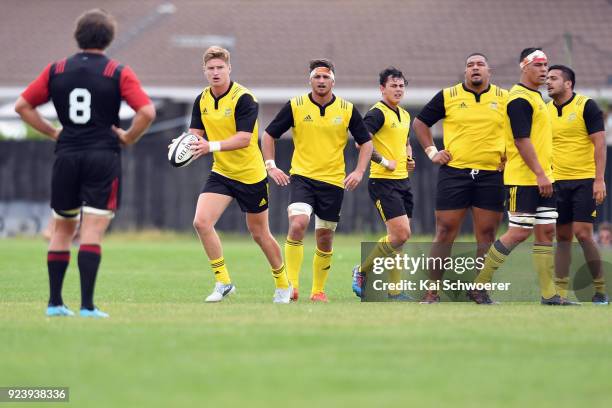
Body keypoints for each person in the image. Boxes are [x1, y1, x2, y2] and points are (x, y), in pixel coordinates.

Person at [14, 9, 156, 317]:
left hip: (67, 155)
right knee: (91, 230)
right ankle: (87, 306)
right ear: (109, 38)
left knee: (63, 229)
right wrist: (129, 137)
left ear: (77, 36)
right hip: (102, 156)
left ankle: (54, 304)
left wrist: (52, 131)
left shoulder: (57, 70)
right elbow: (147, 112)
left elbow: (22, 106)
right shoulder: (117, 72)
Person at [262, 59, 373, 302]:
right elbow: (268, 134)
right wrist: (271, 166)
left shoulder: (346, 109)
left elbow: (366, 141)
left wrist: (359, 171)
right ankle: (291, 286)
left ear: (333, 81)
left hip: (333, 183)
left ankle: (318, 291)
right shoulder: (296, 105)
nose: (321, 81)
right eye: (317, 77)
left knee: (324, 238)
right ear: (310, 80)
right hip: (302, 178)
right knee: (298, 224)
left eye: (326, 77)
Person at [473, 48, 578, 305]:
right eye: (538, 64)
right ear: (524, 66)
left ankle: (549, 294)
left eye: (546, 65)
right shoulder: (519, 98)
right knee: (518, 233)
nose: (544, 69)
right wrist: (540, 173)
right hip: (524, 178)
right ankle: (478, 286)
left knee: (546, 233)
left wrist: (546, 175)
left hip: (544, 178)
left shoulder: (536, 97)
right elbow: (521, 140)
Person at [187, 46, 291, 304]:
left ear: (229, 69)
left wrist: (210, 146)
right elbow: (195, 135)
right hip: (221, 172)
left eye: (220, 67)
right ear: (204, 71)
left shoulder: (244, 98)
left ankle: (282, 283)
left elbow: (245, 139)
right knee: (201, 222)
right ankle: (223, 282)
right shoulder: (201, 99)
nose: (215, 72)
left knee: (259, 234)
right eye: (210, 68)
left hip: (250, 175)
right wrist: (182, 145)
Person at [412, 53, 508, 303]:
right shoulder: (448, 96)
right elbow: (420, 123)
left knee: (486, 235)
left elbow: (520, 130)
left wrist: (510, 156)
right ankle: (432, 291)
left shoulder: (505, 98)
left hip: (491, 174)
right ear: (465, 72)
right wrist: (432, 151)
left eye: (480, 65)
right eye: (470, 65)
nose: (475, 68)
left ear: (489, 71)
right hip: (455, 173)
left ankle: (480, 289)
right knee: (444, 232)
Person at [351, 67, 415, 300]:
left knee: (398, 239)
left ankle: (395, 290)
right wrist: (384, 160)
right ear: (382, 88)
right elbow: (362, 142)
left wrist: (409, 157)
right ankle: (361, 270)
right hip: (383, 182)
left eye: (401, 86)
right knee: (401, 235)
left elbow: (406, 141)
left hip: (403, 182)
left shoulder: (405, 115)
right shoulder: (377, 113)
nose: (398, 89)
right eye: (393, 85)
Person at [546, 64, 608, 305]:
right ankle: (560, 293)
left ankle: (601, 290)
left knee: (583, 234)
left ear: (568, 84)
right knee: (561, 236)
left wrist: (599, 179)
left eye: (553, 78)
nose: (548, 82)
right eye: (547, 78)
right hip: (556, 182)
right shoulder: (544, 110)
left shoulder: (586, 106)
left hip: (584, 181)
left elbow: (600, 144)